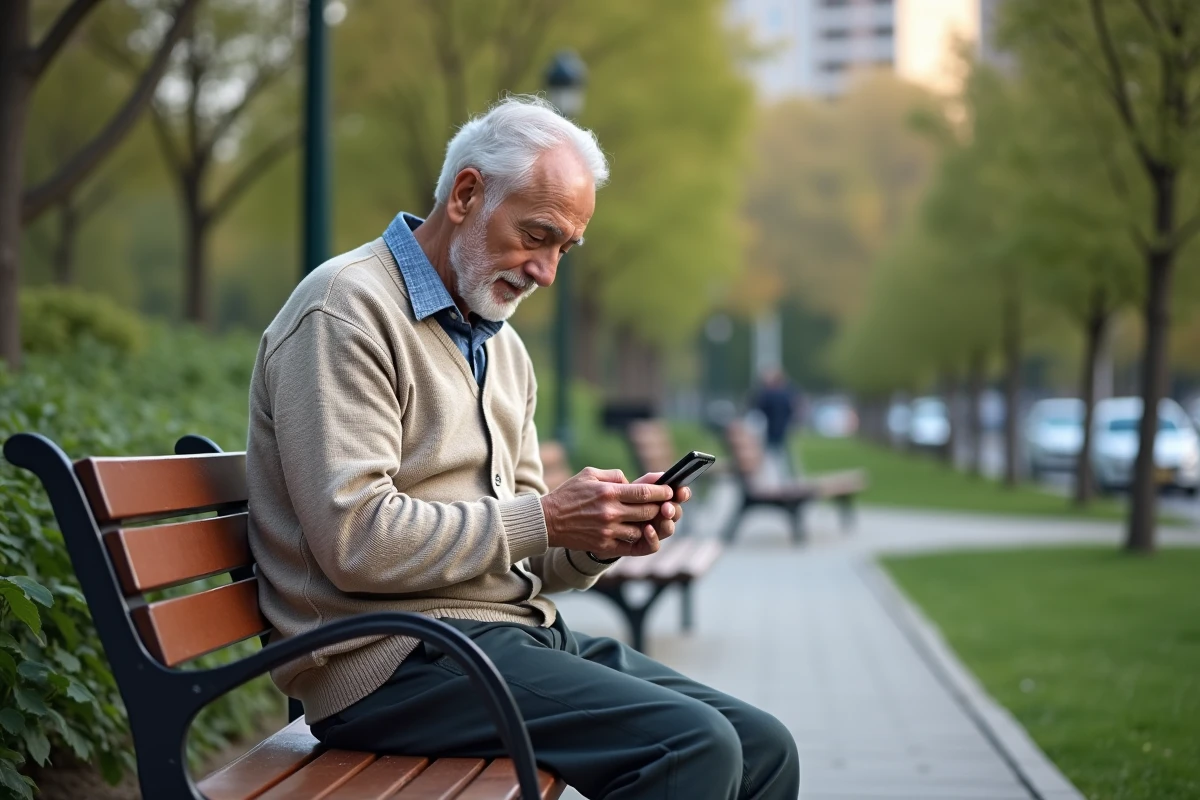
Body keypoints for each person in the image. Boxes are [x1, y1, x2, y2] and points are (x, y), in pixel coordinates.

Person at [246, 96, 799, 799]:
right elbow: (356, 539)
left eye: (563, 249)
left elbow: (536, 553)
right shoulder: (345, 309)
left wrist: (600, 539)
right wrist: (547, 520)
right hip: (391, 661)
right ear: (467, 194)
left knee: (764, 748)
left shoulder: (502, 349)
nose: (546, 272)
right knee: (689, 747)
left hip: (504, 637)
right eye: (536, 236)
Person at [753, 367, 800, 482]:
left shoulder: (768, 395)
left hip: (771, 433)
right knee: (783, 458)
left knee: (773, 456)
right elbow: (791, 411)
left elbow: (756, 406)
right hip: (780, 432)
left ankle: (786, 479)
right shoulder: (786, 395)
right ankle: (789, 479)